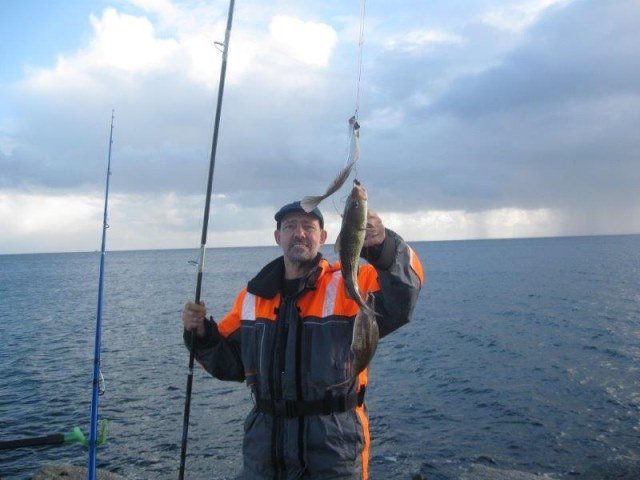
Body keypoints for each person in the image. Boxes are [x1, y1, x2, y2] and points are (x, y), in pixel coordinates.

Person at [183, 185, 423, 479]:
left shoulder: (351, 283)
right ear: (277, 237)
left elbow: (403, 297)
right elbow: (231, 364)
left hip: (334, 449)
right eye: (290, 226)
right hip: (265, 453)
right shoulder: (251, 297)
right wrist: (202, 335)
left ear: (323, 238)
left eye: (309, 227)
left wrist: (383, 247)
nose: (299, 233)